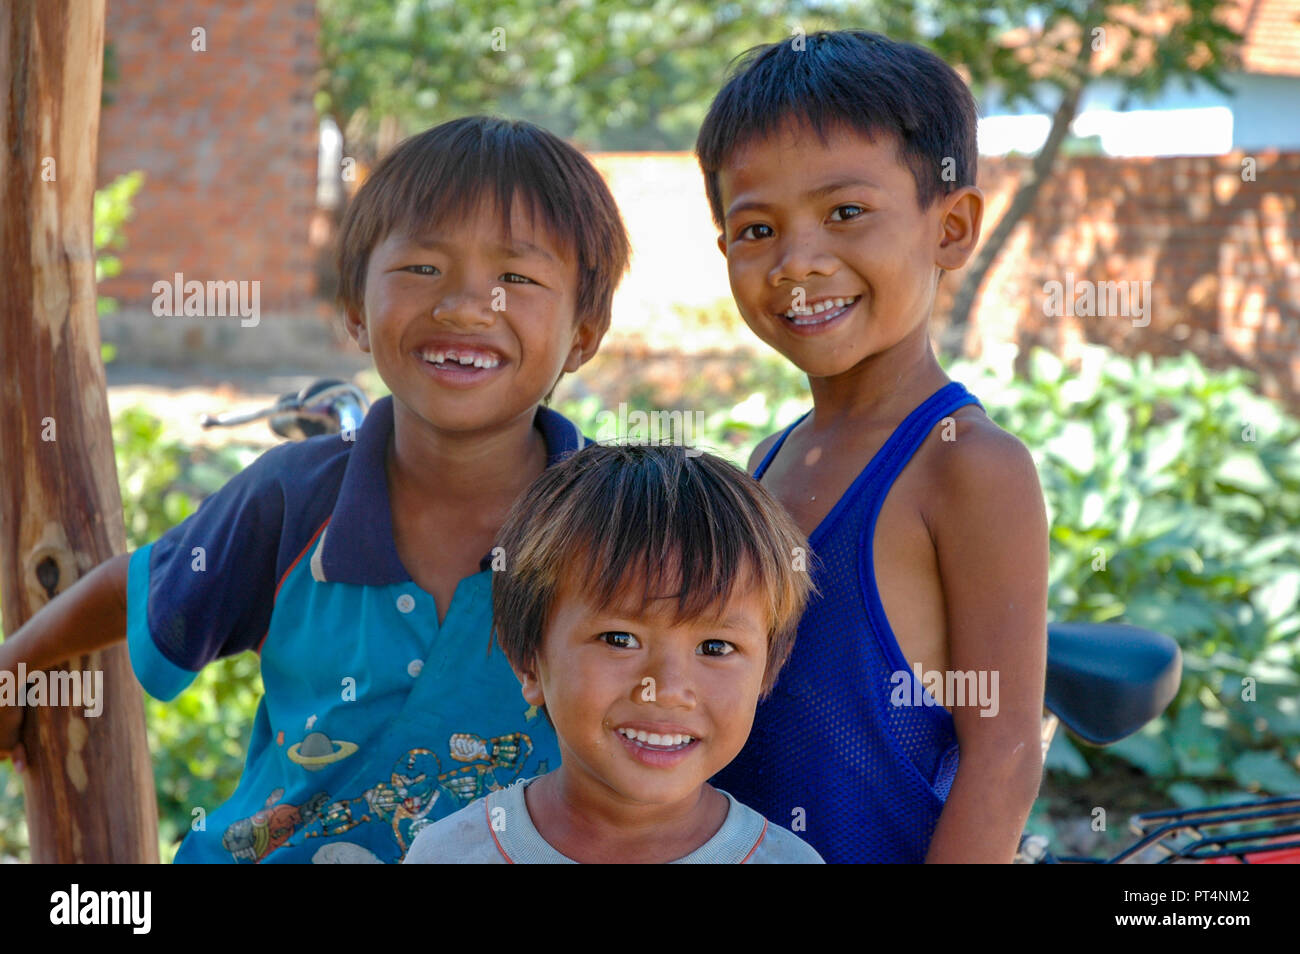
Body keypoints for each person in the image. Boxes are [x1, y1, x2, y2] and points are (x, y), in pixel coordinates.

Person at [0, 116, 630, 863]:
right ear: (356, 311)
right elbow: (138, 585)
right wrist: (17, 665)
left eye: (517, 278)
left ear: (585, 332)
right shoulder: (295, 498)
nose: (465, 305)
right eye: (423, 268)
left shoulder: (618, 524)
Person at [696, 30, 1049, 863]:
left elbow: (1004, 753)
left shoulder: (968, 465)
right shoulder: (770, 460)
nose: (796, 262)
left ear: (952, 227)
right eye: (755, 230)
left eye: (845, 213)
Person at [404, 443, 823, 863]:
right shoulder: (450, 853)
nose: (666, 689)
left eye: (716, 647)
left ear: (768, 669)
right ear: (528, 661)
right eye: (620, 640)